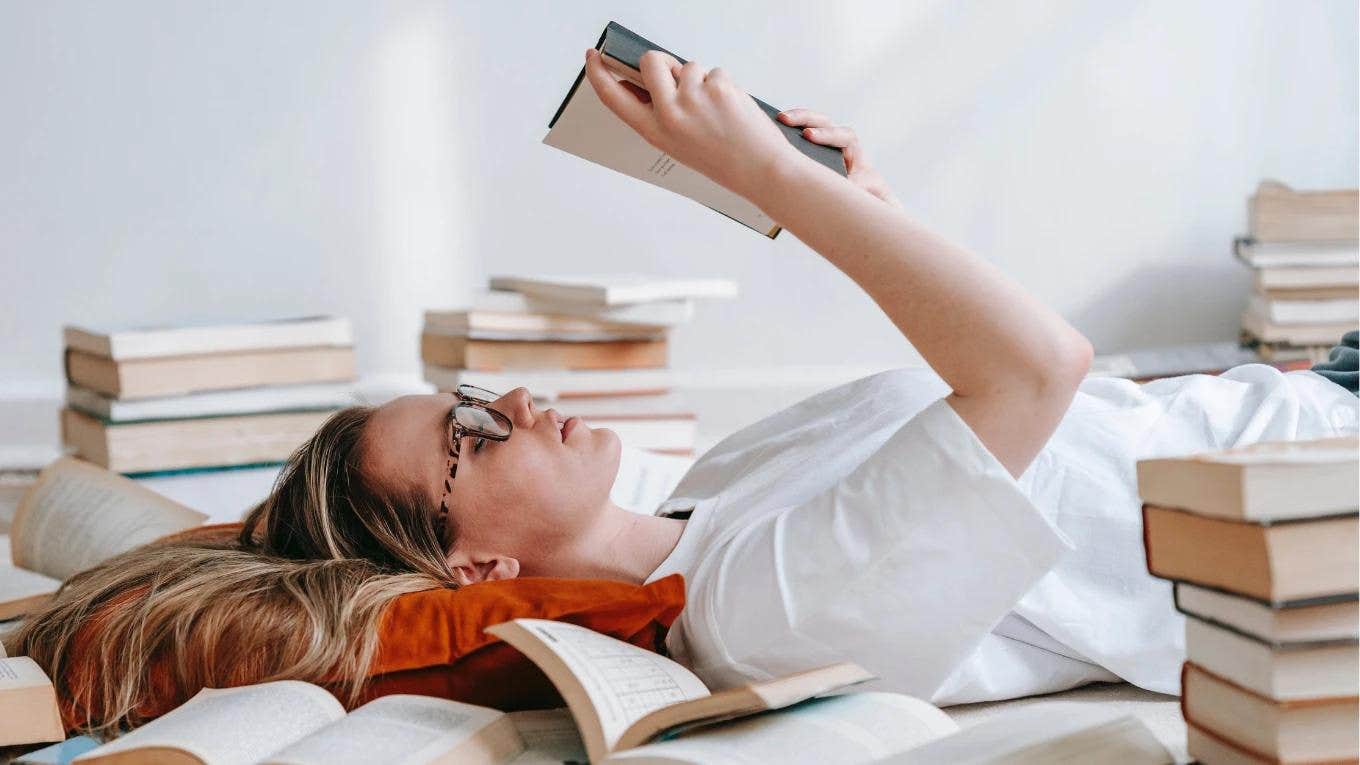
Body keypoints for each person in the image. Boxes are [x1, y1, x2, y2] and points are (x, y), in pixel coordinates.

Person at [9, 50, 1357, 733]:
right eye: (472, 436)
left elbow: (1019, 402)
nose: (518, 403)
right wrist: (774, 185)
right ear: (475, 555)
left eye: (483, 393)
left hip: (1288, 388)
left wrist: (859, 204)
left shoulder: (708, 499)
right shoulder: (760, 609)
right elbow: (1036, 371)